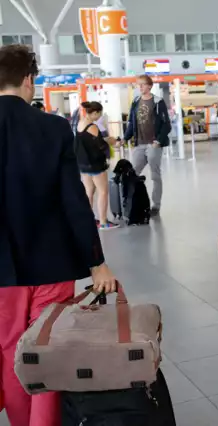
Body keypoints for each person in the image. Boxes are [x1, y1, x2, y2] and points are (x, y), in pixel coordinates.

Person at [0, 44, 117, 426]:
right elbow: (74, 203)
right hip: (52, 263)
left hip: (2, 273)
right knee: (47, 349)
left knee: (10, 352)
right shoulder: (51, 128)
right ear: (29, 79)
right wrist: (96, 263)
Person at [124, 74, 171, 217]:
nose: (140, 87)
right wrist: (125, 138)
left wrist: (159, 140)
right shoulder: (136, 101)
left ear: (149, 86)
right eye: (138, 85)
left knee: (155, 175)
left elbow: (166, 124)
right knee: (133, 173)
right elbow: (132, 123)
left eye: (142, 84)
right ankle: (131, 202)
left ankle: (156, 205)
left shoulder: (158, 102)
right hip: (139, 143)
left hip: (153, 144)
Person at [74, 101, 120, 230]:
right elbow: (100, 145)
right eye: (99, 114)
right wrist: (111, 142)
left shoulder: (80, 123)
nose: (99, 117)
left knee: (89, 192)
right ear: (94, 113)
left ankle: (89, 220)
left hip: (83, 164)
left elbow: (89, 141)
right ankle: (104, 222)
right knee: (103, 192)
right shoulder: (92, 126)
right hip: (95, 164)